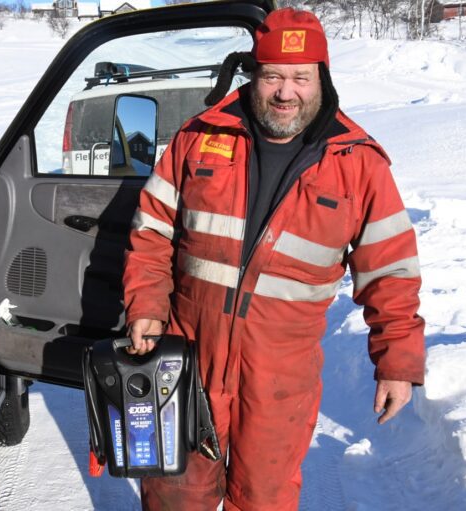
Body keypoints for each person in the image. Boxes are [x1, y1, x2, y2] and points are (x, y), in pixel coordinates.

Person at [122, 7, 425, 510]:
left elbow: (389, 271)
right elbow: (151, 233)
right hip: (185, 362)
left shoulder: (358, 164)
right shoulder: (199, 139)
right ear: (253, 76)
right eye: (274, 76)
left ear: (321, 79)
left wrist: (397, 363)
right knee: (173, 496)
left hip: (280, 380)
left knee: (263, 500)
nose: (286, 92)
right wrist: (147, 310)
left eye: (300, 77)